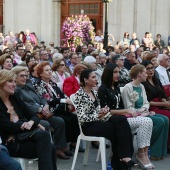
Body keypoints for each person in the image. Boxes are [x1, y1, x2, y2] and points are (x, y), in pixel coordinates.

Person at [74, 69, 136, 170]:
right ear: (85, 80)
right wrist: (98, 116)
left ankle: (124, 158)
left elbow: (97, 110)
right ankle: (121, 161)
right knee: (117, 130)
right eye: (93, 77)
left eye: (96, 77)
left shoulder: (94, 92)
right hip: (88, 126)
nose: (96, 79)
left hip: (100, 120)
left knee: (121, 120)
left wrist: (103, 111)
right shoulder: (79, 94)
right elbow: (81, 117)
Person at [98, 63, 154, 169]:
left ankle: (144, 153)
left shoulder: (116, 87)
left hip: (122, 118)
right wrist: (127, 111)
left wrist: (140, 112)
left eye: (118, 72)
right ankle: (139, 154)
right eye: (115, 72)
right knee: (145, 121)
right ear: (108, 73)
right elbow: (106, 111)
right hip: (111, 119)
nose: (118, 74)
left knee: (148, 120)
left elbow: (123, 107)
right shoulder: (103, 89)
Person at [0, 70, 57, 170]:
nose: (14, 84)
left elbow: (33, 115)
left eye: (14, 81)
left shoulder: (14, 97)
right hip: (9, 143)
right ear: (1, 83)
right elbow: (7, 127)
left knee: (50, 147)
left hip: (22, 137)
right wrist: (30, 125)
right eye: (10, 81)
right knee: (45, 139)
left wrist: (30, 122)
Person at [11, 66, 72, 160]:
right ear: (14, 77)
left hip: (42, 110)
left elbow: (41, 98)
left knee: (59, 121)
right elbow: (25, 105)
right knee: (46, 124)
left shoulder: (28, 85)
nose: (25, 78)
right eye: (21, 76)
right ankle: (44, 150)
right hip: (31, 115)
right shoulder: (16, 90)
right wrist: (41, 110)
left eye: (25, 76)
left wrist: (46, 106)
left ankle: (59, 147)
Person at [121, 64, 169, 162]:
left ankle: (161, 152)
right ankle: (154, 152)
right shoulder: (128, 88)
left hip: (144, 112)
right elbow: (129, 107)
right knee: (160, 121)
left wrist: (144, 110)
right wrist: (141, 112)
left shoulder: (141, 86)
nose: (147, 75)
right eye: (145, 73)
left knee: (165, 119)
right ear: (139, 74)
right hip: (134, 115)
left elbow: (146, 102)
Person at [34, 62, 84, 152]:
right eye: (46, 70)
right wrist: (64, 101)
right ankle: (60, 148)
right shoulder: (38, 85)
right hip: (50, 111)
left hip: (59, 109)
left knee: (74, 118)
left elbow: (62, 94)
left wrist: (68, 101)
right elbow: (48, 99)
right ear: (40, 73)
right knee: (63, 120)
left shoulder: (52, 83)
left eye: (50, 70)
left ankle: (73, 142)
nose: (49, 72)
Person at [141, 60, 169, 159]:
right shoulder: (143, 83)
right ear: (143, 70)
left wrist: (165, 102)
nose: (150, 70)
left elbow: (162, 94)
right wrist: (163, 103)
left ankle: (164, 148)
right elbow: (146, 102)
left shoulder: (156, 80)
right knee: (166, 117)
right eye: (148, 69)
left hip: (160, 105)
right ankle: (159, 149)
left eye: (152, 68)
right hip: (150, 107)